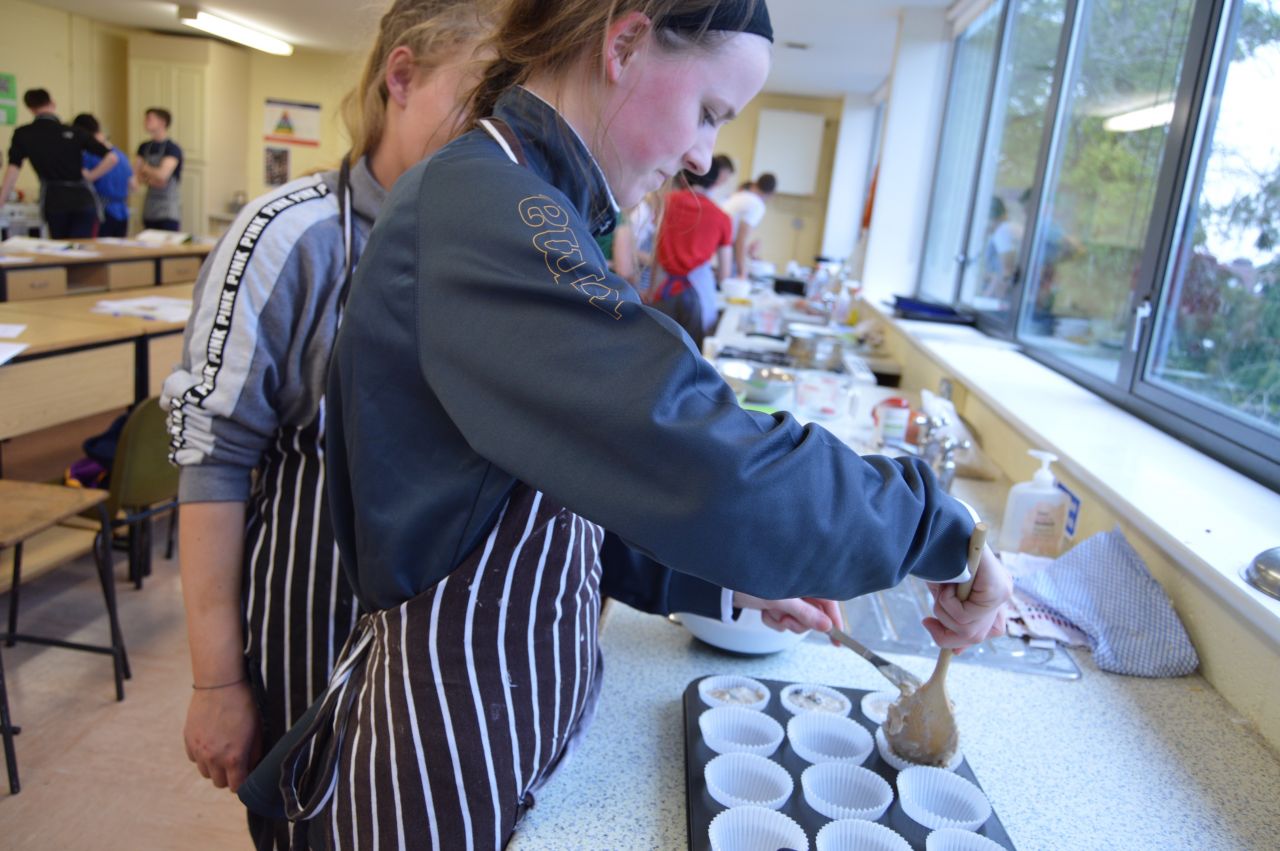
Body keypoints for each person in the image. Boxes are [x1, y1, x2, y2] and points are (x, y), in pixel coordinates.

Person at [257, 1, 1010, 847]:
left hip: (513, 706)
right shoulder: (483, 205)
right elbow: (697, 454)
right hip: (445, 724)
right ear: (624, 40)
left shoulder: (529, 198)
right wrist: (939, 527)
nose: (701, 156)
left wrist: (709, 585)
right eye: (710, 113)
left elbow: (549, 494)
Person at [159, 2, 494, 849]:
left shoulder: (494, 255)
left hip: (445, 680)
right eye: (479, 98)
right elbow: (213, 458)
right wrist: (214, 681)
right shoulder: (290, 238)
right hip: (308, 655)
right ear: (403, 75)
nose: (494, 135)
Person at [0, 88, 119, 239]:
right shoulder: (75, 131)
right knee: (84, 252)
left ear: (30, 108)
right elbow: (112, 157)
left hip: (54, 200)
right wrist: (90, 176)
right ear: (52, 104)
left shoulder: (23, 134)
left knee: (61, 249)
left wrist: (2, 200)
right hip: (82, 199)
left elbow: (13, 168)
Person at [651, 160, 733, 346]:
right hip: (699, 291)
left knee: (657, 349)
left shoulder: (666, 201)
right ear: (714, 182)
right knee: (692, 353)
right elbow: (724, 274)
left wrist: (649, 290)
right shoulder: (722, 217)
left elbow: (657, 250)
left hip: (664, 287)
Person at [72, 113, 133, 237]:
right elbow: (133, 185)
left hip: (101, 212)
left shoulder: (89, 156)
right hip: (122, 211)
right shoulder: (121, 155)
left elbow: (81, 178)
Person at [134, 107, 184, 231]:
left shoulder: (172, 148)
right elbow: (136, 175)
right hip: (150, 207)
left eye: (150, 119)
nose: (145, 122)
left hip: (168, 209)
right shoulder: (144, 147)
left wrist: (145, 168)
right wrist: (152, 178)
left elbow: (162, 175)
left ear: (162, 122)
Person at [722, 170, 775, 275]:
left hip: (714, 252)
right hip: (722, 257)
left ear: (755, 183)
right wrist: (742, 273)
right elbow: (740, 240)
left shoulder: (738, 196)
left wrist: (747, 250)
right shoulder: (757, 204)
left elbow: (735, 236)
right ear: (771, 194)